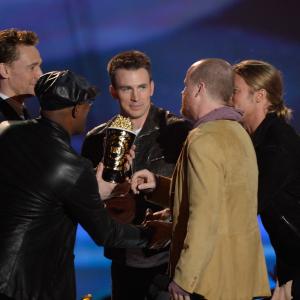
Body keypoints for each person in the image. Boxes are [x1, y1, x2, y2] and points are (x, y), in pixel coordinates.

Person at [0, 70, 152, 300]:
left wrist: (95, 183)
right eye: (88, 104)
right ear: (76, 109)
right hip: (31, 287)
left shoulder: (7, 131)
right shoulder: (71, 166)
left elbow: (42, 186)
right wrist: (152, 234)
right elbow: (106, 233)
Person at [131, 58, 271, 300]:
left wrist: (185, 279)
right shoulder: (238, 133)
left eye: (186, 86)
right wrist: (157, 185)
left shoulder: (204, 139)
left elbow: (205, 216)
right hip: (235, 279)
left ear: (199, 89)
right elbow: (219, 198)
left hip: (208, 282)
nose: (182, 92)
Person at [81, 50, 190, 299]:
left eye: (141, 87)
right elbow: (85, 203)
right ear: (113, 91)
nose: (135, 97)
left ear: (152, 87)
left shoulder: (177, 132)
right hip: (123, 261)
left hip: (170, 261)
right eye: (126, 88)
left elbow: (197, 194)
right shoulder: (97, 139)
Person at [232, 60, 300, 300]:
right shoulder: (257, 141)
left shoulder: (277, 144)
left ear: (259, 96)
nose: (229, 98)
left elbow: (247, 206)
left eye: (235, 91)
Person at [0, 28, 42, 121]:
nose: (40, 74)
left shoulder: (21, 112)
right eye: (32, 67)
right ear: (4, 70)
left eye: (39, 66)